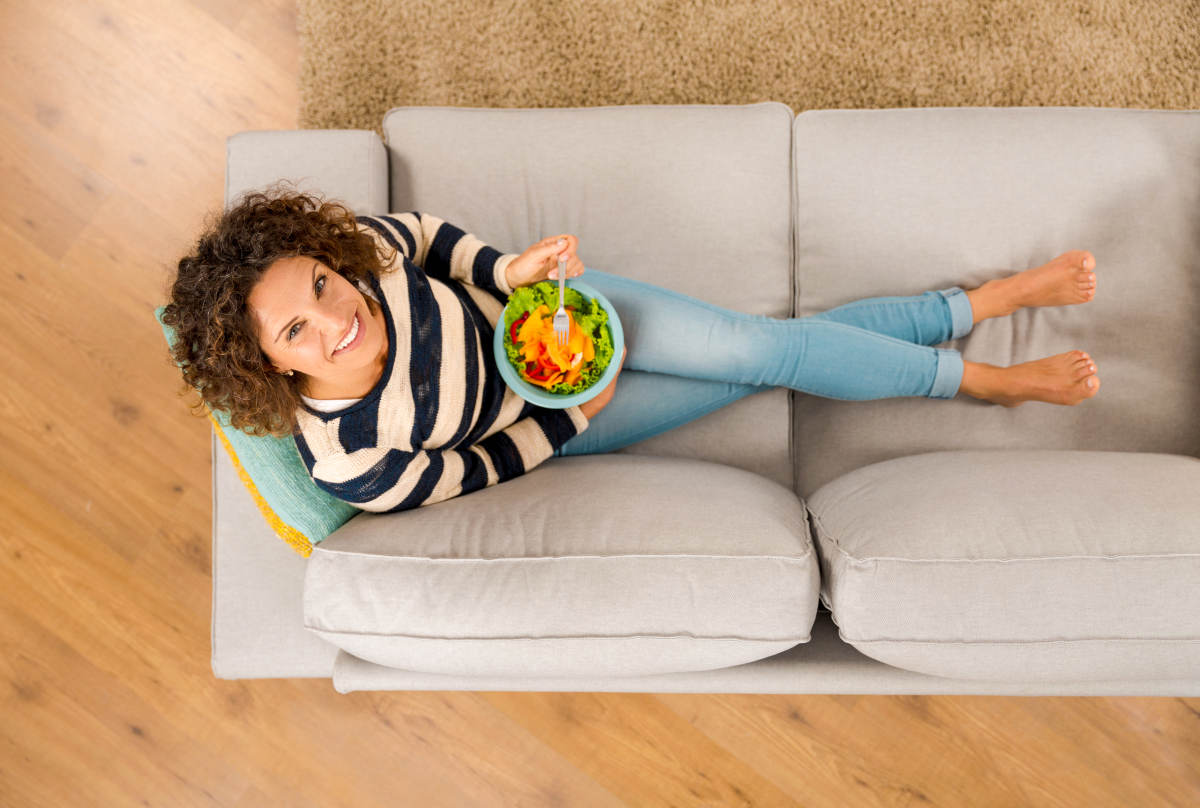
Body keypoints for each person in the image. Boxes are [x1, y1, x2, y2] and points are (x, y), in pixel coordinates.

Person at [162, 189, 1100, 513]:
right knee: (765, 361)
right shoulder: (350, 459)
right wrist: (570, 417)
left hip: (561, 317)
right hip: (560, 416)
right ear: (274, 366)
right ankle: (984, 339)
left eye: (320, 287)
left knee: (765, 346)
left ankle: (986, 334)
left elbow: (418, 234)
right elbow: (474, 470)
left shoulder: (356, 257)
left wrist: (509, 267)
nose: (336, 319)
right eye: (298, 330)